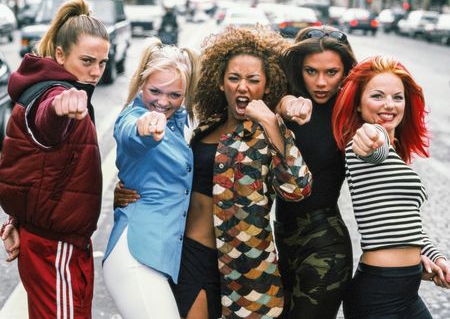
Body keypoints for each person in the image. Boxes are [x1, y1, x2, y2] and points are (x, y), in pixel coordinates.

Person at [115, 26, 313, 319]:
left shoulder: (270, 132)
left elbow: (298, 188)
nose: (242, 87)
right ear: (221, 83)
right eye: (234, 78)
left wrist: (271, 121)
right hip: (191, 254)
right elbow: (170, 173)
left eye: (253, 80)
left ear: (266, 86)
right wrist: (128, 189)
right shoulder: (205, 126)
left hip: (247, 265)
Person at [0, 0, 110, 319]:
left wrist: (19, 220)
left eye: (102, 63)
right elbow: (48, 120)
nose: (95, 72)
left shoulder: (46, 86)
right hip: (56, 248)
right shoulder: (54, 95)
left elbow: (36, 167)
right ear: (60, 55)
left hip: (56, 243)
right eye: (87, 61)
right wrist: (61, 108)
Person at [332, 55, 450, 318]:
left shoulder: (395, 153)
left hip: (407, 291)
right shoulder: (364, 144)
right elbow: (371, 146)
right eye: (377, 96)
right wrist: (372, 135)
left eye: (398, 97)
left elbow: (409, 224)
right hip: (379, 293)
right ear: (359, 106)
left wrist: (436, 257)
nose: (389, 105)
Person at [102, 37, 198, 318]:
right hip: (136, 256)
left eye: (174, 95)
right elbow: (133, 135)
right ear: (141, 84)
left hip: (160, 258)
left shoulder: (181, 121)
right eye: (155, 90)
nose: (163, 102)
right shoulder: (132, 118)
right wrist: (146, 128)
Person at [274, 26, 357, 318]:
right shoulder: (283, 103)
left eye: (331, 73)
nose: (321, 82)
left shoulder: (352, 115)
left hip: (325, 244)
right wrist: (283, 106)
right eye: (311, 71)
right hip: (281, 241)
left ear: (346, 72)